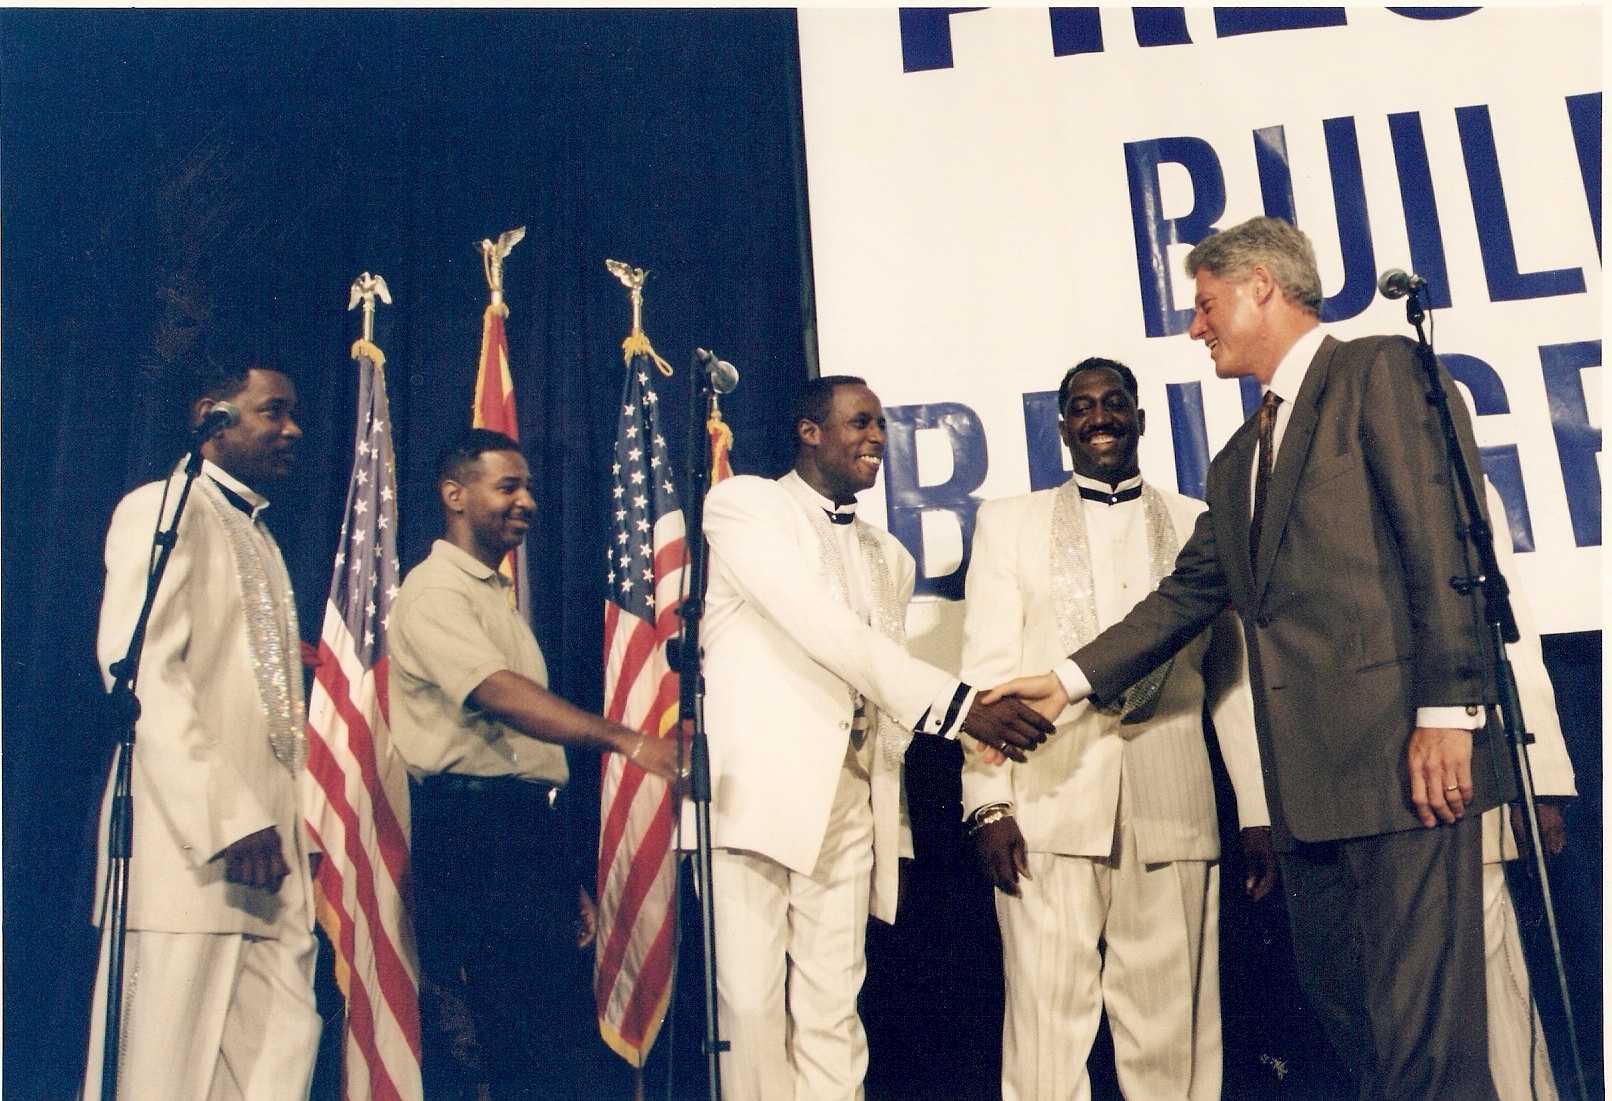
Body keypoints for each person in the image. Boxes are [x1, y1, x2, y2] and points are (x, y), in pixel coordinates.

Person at [993, 217, 1515, 1100]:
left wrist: (1447, 714)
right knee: (1356, 1016)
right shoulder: (1239, 459)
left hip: (1407, 765)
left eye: (1205, 305)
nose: (1196, 328)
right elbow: (1183, 595)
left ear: (1262, 286)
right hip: (1310, 787)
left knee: (1426, 1033)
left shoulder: (1377, 372)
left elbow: (1445, 547)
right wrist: (1065, 680)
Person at [691, 375, 1055, 1101]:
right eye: (860, 423)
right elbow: (823, 630)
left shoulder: (890, 554)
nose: (877, 439)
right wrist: (957, 705)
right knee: (752, 1006)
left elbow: (879, 701)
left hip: (852, 802)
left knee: (833, 1006)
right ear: (809, 430)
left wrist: (893, 824)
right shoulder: (745, 506)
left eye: (882, 426)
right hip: (757, 796)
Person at [960, 357, 1272, 1101]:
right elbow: (986, 674)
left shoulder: (1204, 518)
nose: (1100, 416)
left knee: (1176, 1037)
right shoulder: (1009, 522)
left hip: (1173, 801)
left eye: (1114, 402)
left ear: (1139, 416)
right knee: (1044, 1029)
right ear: (1063, 424)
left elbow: (1231, 681)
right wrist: (988, 801)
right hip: (1046, 801)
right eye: (1082, 405)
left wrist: (1258, 809)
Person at [387, 428, 680, 1101]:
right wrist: (623, 738)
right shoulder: (435, 590)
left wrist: (557, 872)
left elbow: (522, 756)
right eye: (508, 486)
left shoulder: (493, 594)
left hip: (517, 830)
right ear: (454, 495)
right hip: (473, 829)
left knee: (548, 1031)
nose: (527, 501)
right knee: (515, 1039)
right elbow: (497, 693)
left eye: (528, 486)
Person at [83, 364, 323, 1101]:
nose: (294, 429)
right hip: (194, 859)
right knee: (164, 1075)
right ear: (212, 418)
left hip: (274, 863)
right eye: (272, 412)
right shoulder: (163, 507)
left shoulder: (261, 537)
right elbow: (142, 671)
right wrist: (228, 816)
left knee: (275, 1067)